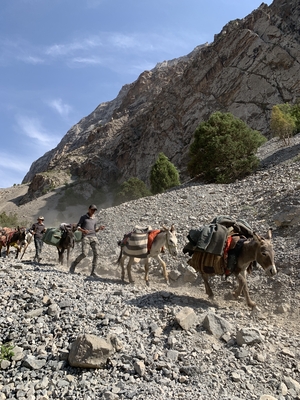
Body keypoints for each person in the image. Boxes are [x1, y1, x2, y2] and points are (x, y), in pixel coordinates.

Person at [69, 205, 104, 276]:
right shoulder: (83, 217)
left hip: (94, 237)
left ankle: (93, 272)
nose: (93, 211)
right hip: (86, 237)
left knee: (97, 254)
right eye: (92, 209)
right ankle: (74, 264)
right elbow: (78, 226)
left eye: (94, 210)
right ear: (88, 209)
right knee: (84, 253)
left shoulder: (95, 219)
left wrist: (99, 228)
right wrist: (83, 230)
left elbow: (95, 230)